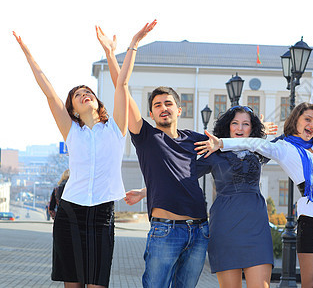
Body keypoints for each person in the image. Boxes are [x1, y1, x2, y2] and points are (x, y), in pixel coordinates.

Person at [13, 20, 155, 287]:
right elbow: (48, 92)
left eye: (88, 91)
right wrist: (27, 52)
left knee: (97, 283)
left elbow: (122, 84)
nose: (85, 94)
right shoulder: (71, 131)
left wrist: (127, 47)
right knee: (73, 283)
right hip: (70, 213)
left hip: (102, 214)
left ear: (97, 102)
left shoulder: (115, 129)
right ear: (74, 109)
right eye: (78, 94)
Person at [196, 48, 313, 288]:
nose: (311, 124)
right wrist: (221, 143)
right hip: (236, 221)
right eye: (235, 123)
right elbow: (254, 142)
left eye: (245, 123)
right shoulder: (282, 148)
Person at [96, 25, 210, 288]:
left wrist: (253, 132)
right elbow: (121, 87)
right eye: (157, 105)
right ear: (151, 113)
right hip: (165, 231)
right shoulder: (147, 137)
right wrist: (115, 53)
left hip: (200, 231)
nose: (163, 108)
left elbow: (191, 172)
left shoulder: (194, 139)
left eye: (168, 103)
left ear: (179, 109)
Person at [195, 105, 273, 288]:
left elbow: (290, 140)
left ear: (252, 129)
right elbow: (182, 176)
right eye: (235, 123)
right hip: (225, 227)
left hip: (257, 228)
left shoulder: (259, 150)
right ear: (227, 127)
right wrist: (145, 191)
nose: (240, 128)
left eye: (245, 124)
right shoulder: (214, 154)